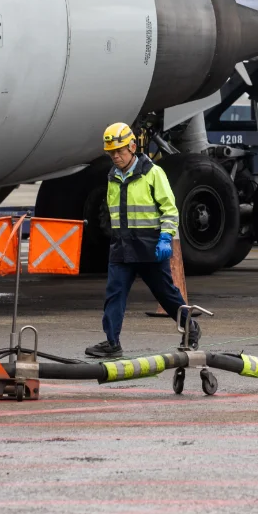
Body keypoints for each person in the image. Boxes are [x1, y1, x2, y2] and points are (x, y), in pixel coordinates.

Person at [85, 122, 196, 359]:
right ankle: (112, 342)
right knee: (114, 294)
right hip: (122, 248)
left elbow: (169, 210)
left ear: (133, 146)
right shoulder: (113, 177)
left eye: (120, 151)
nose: (115, 156)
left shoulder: (153, 174)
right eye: (111, 152)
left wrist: (165, 238)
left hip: (150, 248)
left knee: (165, 294)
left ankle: (191, 328)